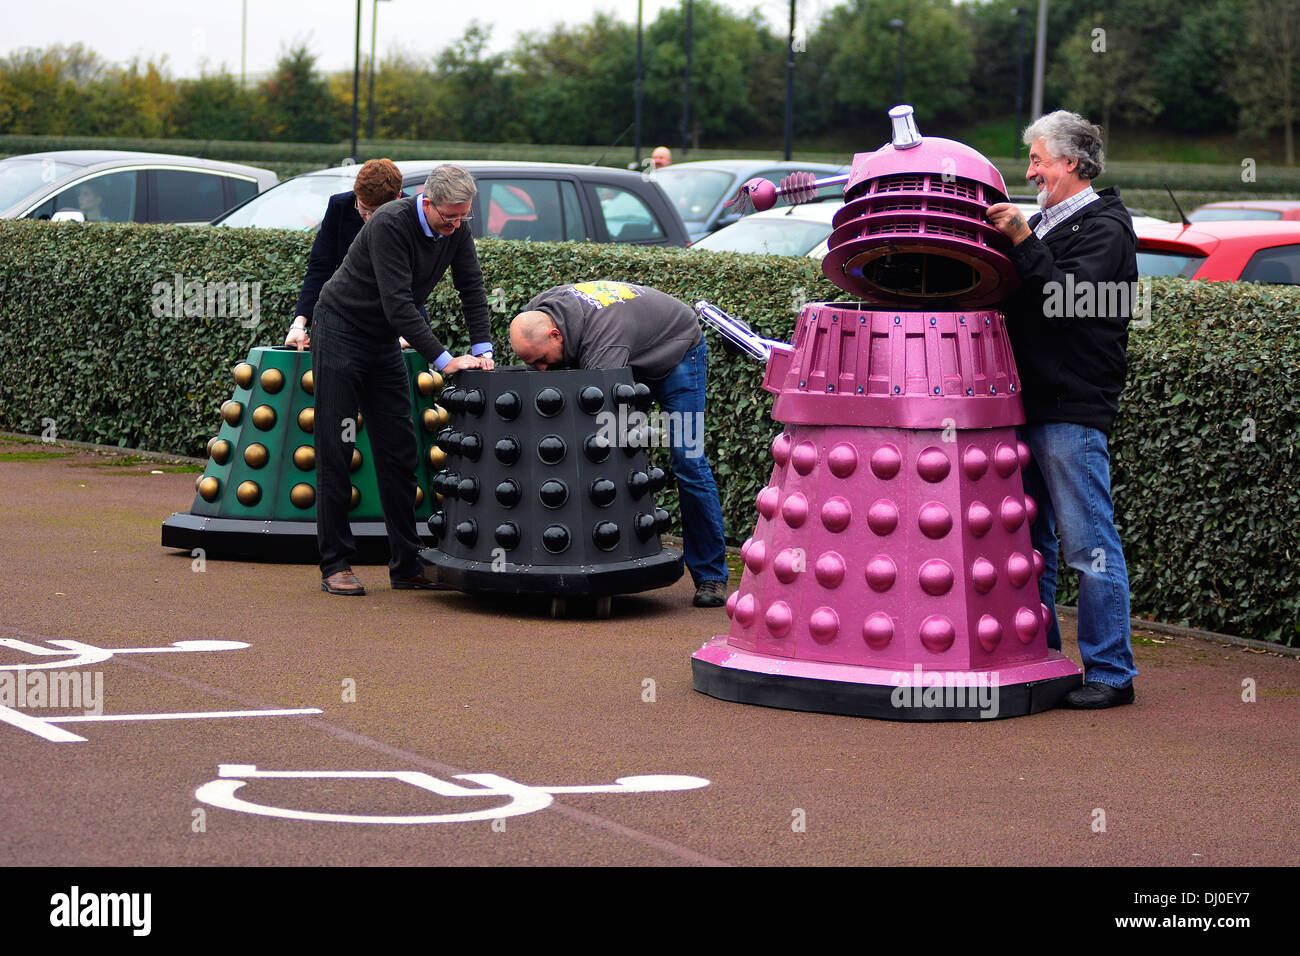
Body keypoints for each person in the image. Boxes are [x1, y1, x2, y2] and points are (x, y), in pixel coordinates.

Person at [985, 110, 1138, 710]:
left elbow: (1065, 302)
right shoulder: (1052, 223)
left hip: (1071, 408)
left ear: (1071, 164)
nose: (1031, 172)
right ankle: (1042, 657)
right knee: (1031, 545)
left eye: (1039, 161)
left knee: (1087, 542)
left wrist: (1022, 240)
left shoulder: (1107, 228)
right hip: (1031, 404)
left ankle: (1111, 673)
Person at [298, 164, 496, 597]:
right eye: (449, 216)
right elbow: (398, 304)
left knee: (400, 450)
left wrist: (483, 352)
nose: (456, 225)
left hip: (381, 339)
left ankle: (406, 564)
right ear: (427, 201)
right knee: (337, 446)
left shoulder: (456, 229)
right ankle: (335, 563)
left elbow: (472, 288)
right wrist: (445, 361)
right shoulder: (390, 222)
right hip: (339, 329)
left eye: (464, 216)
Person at [509, 281, 729, 608]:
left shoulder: (603, 341)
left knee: (687, 460)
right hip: (633, 350)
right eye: (531, 363)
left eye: (541, 360)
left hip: (676, 353)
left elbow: (597, 416)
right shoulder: (540, 312)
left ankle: (711, 575)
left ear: (556, 336)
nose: (539, 369)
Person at [286, 158, 406, 341]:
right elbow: (320, 266)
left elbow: (412, 281)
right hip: (346, 317)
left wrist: (408, 331)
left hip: (397, 321)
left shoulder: (409, 213)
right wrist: (299, 323)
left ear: (397, 198)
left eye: (376, 212)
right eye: (363, 209)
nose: (368, 219)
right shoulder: (340, 206)